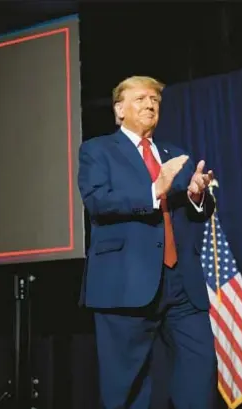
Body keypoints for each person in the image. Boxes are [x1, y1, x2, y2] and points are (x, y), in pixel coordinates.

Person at [77, 76, 217, 409]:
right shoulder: (97, 151)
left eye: (154, 99)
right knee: (126, 387)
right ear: (119, 110)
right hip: (126, 282)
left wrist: (198, 195)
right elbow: (98, 202)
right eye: (140, 98)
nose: (150, 104)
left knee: (200, 371)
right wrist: (155, 190)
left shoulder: (176, 155)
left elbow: (198, 212)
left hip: (182, 283)